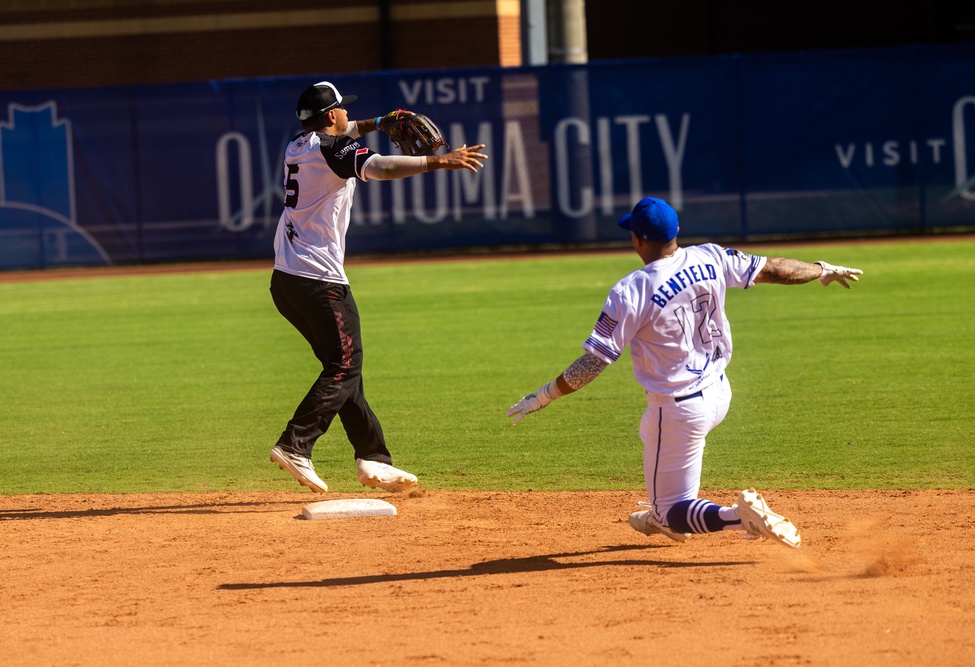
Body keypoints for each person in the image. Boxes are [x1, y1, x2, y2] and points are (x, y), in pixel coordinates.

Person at [506, 197, 863, 548]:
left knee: (671, 513)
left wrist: (544, 395)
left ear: (637, 240)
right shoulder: (711, 255)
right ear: (676, 233)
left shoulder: (632, 290)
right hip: (718, 390)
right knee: (651, 435)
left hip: (678, 410)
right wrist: (821, 269)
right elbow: (776, 268)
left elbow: (594, 363)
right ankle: (658, 513)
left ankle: (738, 516)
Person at [269, 81, 488, 494]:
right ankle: (296, 443)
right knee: (345, 366)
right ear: (332, 114)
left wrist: (382, 122)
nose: (349, 117)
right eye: (344, 112)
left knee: (343, 369)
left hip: (286, 281)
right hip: (320, 282)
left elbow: (345, 133)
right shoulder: (334, 151)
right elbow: (382, 168)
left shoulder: (299, 145)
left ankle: (373, 458)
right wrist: (439, 162)